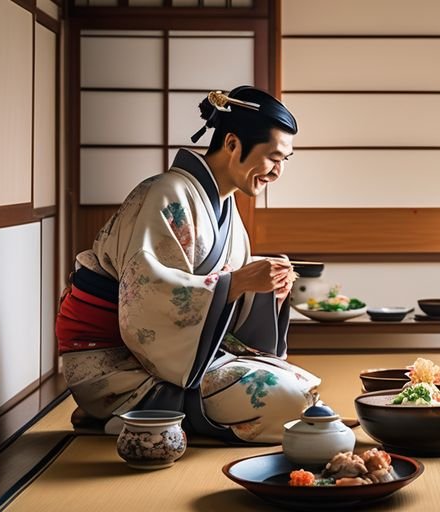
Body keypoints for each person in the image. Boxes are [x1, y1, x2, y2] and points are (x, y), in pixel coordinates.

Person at [56, 86, 320, 443]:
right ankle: (124, 408)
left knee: (304, 390)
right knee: (287, 402)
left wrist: (267, 290)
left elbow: (223, 287)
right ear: (232, 144)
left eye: (284, 161)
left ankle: (145, 415)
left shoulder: (225, 207)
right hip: (120, 363)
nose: (276, 172)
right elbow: (148, 296)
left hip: (178, 357)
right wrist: (239, 282)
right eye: (273, 157)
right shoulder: (166, 195)